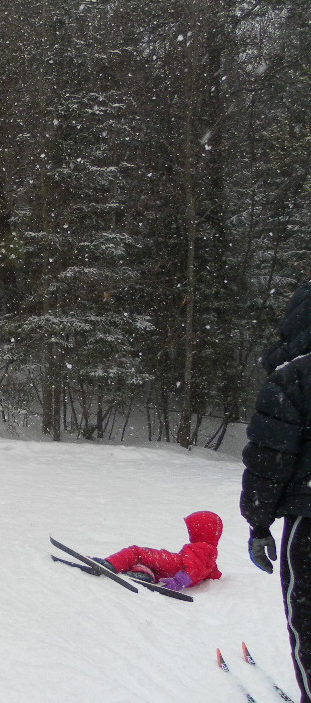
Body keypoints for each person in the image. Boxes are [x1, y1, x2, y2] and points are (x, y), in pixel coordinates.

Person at [241, 280, 311, 703]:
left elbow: (269, 458)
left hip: (308, 522)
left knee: (307, 620)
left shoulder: (295, 376)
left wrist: (259, 523)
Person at [92, 511, 223, 590]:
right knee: (148, 566)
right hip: (173, 569)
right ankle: (145, 574)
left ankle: (109, 564)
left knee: (137, 553)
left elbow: (194, 568)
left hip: (174, 563)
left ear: (200, 531)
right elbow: (212, 573)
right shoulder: (210, 557)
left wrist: (180, 581)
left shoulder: (201, 548)